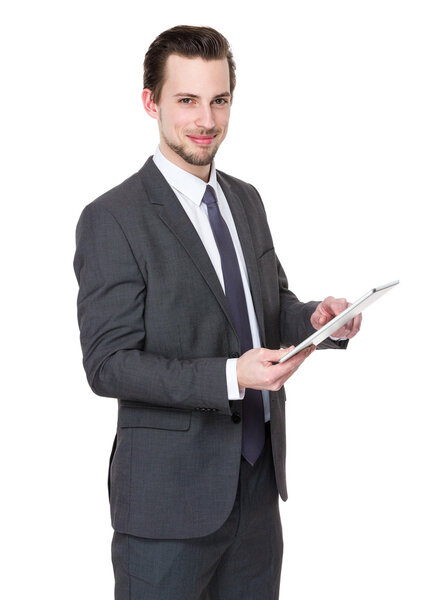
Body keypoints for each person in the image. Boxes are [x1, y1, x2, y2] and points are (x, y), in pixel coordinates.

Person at [73, 25, 361, 600]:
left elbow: (264, 308)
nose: (206, 119)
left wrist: (316, 321)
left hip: (255, 493)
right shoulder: (113, 218)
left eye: (219, 100)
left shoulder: (246, 200)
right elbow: (108, 365)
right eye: (187, 101)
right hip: (166, 505)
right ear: (151, 102)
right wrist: (232, 376)